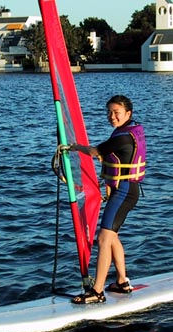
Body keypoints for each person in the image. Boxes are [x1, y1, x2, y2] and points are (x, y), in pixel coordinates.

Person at [70, 95, 146, 304]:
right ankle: (122, 282)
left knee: (103, 238)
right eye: (109, 112)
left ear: (128, 114)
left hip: (125, 192)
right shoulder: (127, 131)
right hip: (123, 190)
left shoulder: (122, 137)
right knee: (112, 237)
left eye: (116, 113)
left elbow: (95, 152)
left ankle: (97, 291)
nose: (112, 117)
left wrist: (74, 147)